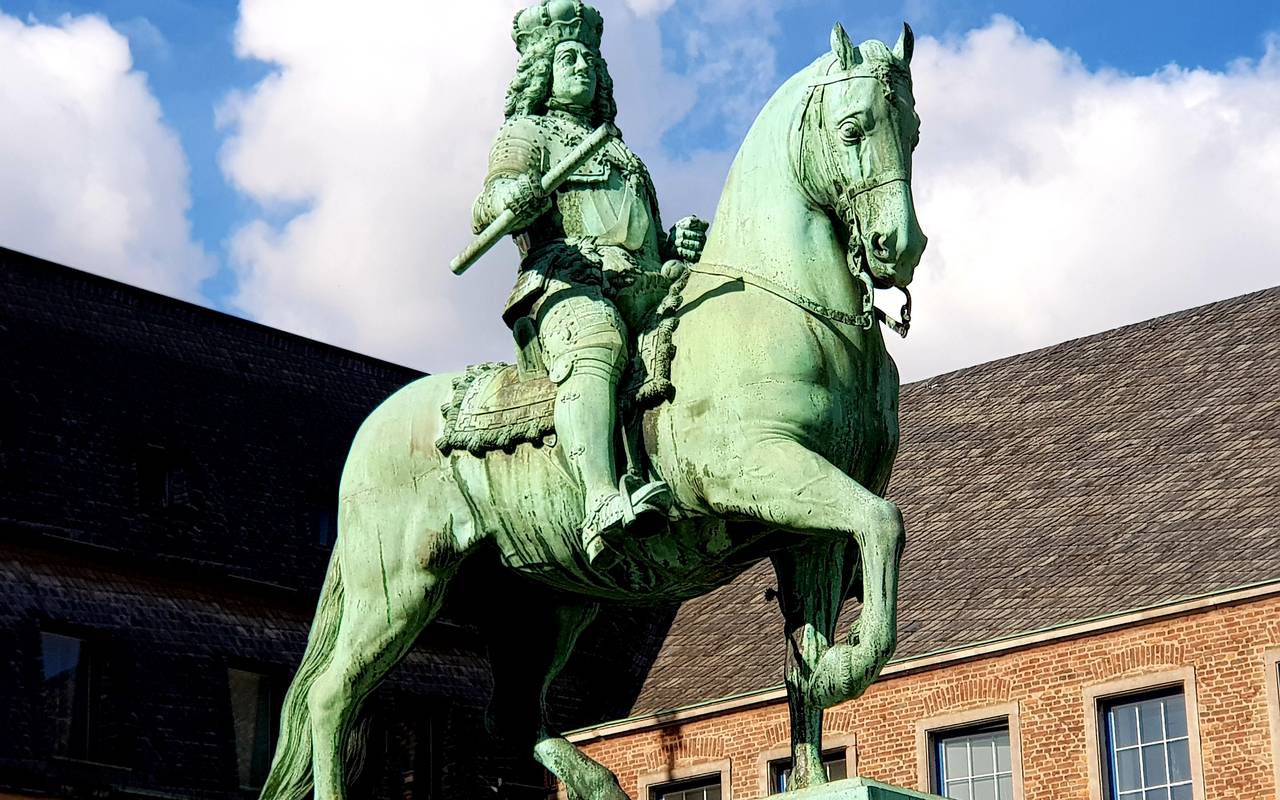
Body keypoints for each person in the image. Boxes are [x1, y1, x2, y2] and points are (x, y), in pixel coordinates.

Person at [469, 0, 707, 567]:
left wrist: (676, 242)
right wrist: (513, 198)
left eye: (590, 59)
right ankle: (601, 499)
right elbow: (489, 205)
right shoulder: (526, 133)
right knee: (598, 347)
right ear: (543, 74)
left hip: (647, 283)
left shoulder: (621, 151)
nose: (583, 66)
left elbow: (640, 232)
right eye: (568, 57)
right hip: (568, 283)